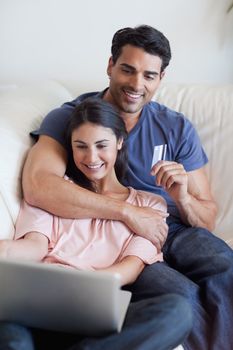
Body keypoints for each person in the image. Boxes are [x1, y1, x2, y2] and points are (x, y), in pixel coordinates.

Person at [7, 24, 233, 349]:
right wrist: (128, 212)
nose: (137, 84)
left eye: (149, 76)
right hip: (111, 228)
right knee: (179, 296)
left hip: (170, 224)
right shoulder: (71, 119)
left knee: (223, 263)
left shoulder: (176, 127)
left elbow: (207, 217)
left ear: (161, 79)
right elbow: (39, 187)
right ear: (110, 65)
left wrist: (182, 197)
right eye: (127, 70)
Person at [0, 98, 192, 350]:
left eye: (102, 145)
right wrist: (5, 251)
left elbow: (129, 268)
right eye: (80, 146)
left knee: (177, 312)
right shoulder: (57, 193)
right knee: (11, 334)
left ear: (119, 142)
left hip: (96, 313)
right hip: (42, 308)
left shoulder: (150, 206)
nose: (91, 158)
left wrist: (84, 292)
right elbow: (34, 246)